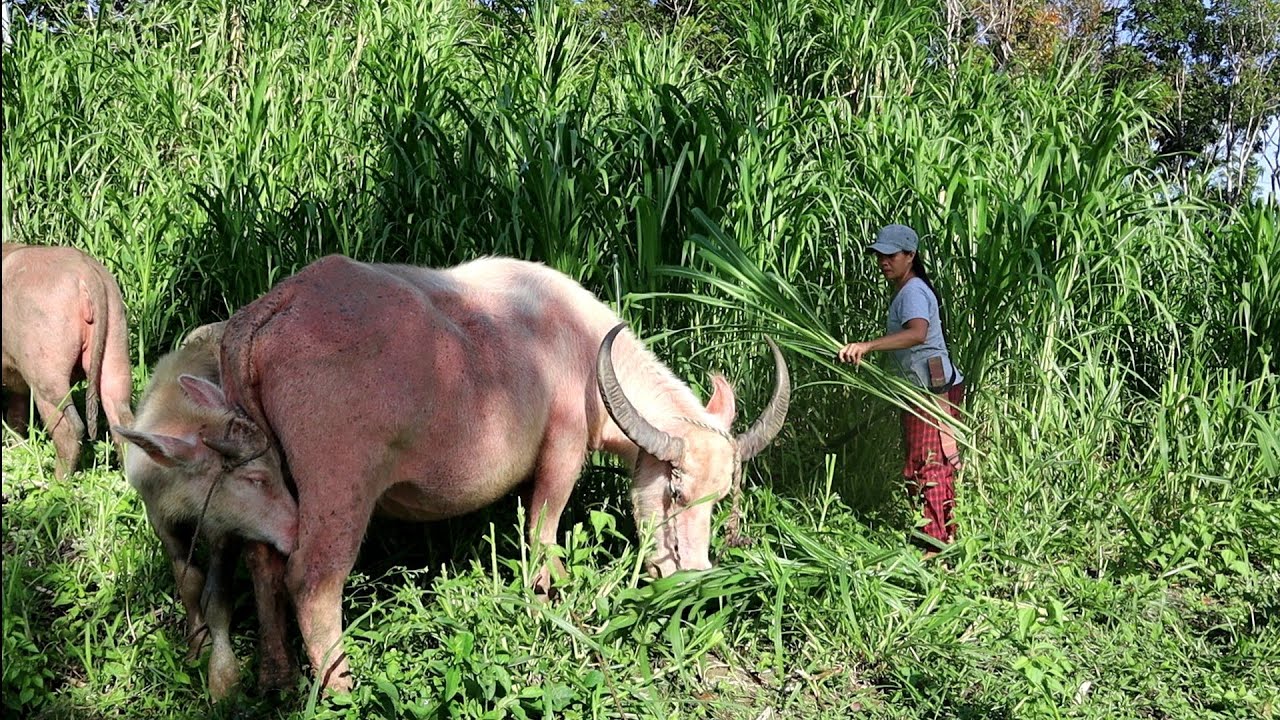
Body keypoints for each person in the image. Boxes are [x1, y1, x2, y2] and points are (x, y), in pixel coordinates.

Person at [837, 224, 965, 555]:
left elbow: (917, 333)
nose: (883, 261)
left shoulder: (912, 292)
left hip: (929, 392)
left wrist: (866, 346)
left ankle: (934, 546)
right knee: (932, 463)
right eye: (880, 255)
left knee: (927, 465)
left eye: (891, 255)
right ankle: (943, 536)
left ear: (910, 256)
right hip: (924, 388)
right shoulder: (908, 289)